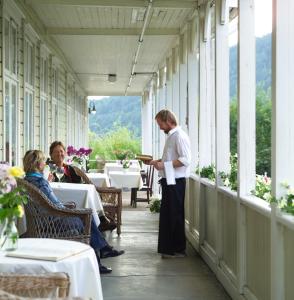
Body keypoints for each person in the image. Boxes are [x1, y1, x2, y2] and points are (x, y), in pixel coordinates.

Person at [23, 150, 124, 274]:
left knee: (85, 216)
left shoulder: (26, 181)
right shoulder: (40, 182)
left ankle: (102, 251)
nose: (45, 164)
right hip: (51, 222)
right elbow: (55, 205)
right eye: (43, 161)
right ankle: (98, 259)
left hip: (40, 221)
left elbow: (46, 203)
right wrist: (69, 210)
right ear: (38, 164)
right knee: (86, 217)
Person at [146, 109, 191, 258]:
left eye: (161, 124)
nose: (160, 127)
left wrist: (164, 165)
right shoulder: (172, 136)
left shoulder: (179, 136)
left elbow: (185, 160)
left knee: (174, 215)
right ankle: (172, 249)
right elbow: (170, 159)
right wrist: (157, 162)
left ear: (168, 121)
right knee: (169, 215)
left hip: (176, 182)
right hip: (170, 181)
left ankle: (176, 249)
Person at [48, 141, 116, 232]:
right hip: (60, 200)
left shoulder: (70, 169)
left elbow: (79, 184)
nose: (59, 154)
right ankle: (100, 222)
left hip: (74, 198)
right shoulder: (49, 169)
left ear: (65, 153)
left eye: (61, 151)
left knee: (91, 192)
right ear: (51, 155)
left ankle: (101, 219)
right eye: (56, 152)